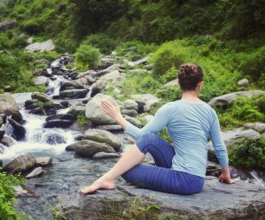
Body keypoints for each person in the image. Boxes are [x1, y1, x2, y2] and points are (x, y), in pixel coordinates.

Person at [80, 63, 235, 195]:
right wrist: (225, 174)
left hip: (185, 180)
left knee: (125, 170)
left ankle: (106, 179)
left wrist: (118, 116)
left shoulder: (169, 108)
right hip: (195, 177)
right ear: (200, 85)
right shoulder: (210, 111)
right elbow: (220, 147)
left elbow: (139, 135)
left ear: (178, 84)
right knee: (150, 140)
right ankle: (107, 178)